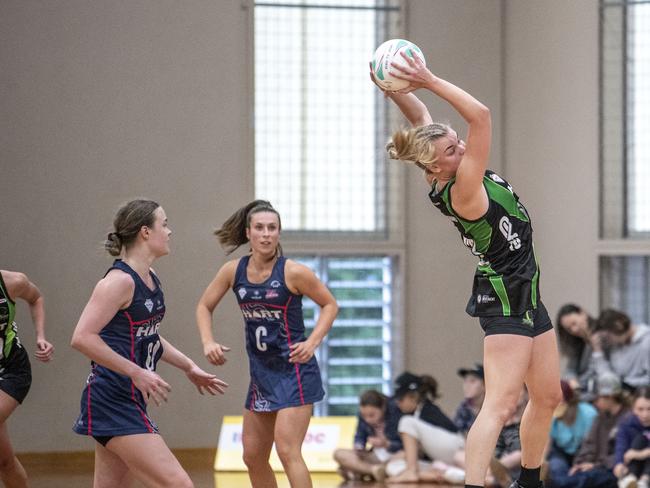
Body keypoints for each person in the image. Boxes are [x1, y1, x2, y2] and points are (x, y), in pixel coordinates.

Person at [372, 47, 562, 488]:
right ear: (438, 166)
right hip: (503, 293)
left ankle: (528, 480)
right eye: (454, 149)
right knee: (499, 404)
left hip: (526, 290)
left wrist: (392, 84)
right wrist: (430, 77)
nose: (462, 147)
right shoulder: (463, 187)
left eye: (457, 143)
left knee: (548, 395)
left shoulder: (436, 158)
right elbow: (481, 116)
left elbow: (420, 113)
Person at [71, 199, 227, 488]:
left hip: (131, 398)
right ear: (145, 231)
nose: (169, 231)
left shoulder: (150, 277)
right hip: (111, 399)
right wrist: (136, 372)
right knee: (180, 484)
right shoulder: (118, 282)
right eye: (164, 224)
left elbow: (148, 335)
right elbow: (82, 338)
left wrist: (189, 366)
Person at [195, 200, 338, 488]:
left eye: (272, 228)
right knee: (252, 456)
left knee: (287, 451)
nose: (266, 234)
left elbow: (330, 305)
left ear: (279, 233)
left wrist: (312, 342)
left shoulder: (293, 272)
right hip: (262, 374)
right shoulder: (233, 271)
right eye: (259, 228)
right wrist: (208, 341)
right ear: (248, 233)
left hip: (295, 371)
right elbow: (203, 306)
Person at [0, 270, 54, 487]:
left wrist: (40, 336)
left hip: (11, 371)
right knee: (4, 462)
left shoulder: (12, 282)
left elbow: (36, 298)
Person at [385, 371, 465, 483]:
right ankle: (443, 475)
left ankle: (411, 472)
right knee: (392, 466)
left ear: (413, 397)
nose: (398, 403)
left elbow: (439, 441)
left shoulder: (428, 410)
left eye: (401, 399)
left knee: (406, 422)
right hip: (440, 459)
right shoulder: (413, 414)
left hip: (456, 448)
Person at [554, 372, 630, 488]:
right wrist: (579, 464)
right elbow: (589, 444)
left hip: (612, 471)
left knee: (568, 482)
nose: (594, 402)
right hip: (594, 469)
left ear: (610, 396)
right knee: (566, 477)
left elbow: (622, 453)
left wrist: (595, 465)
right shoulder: (600, 417)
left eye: (597, 398)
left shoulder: (628, 419)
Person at [333, 389, 403, 482]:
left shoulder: (397, 412)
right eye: (364, 415)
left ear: (383, 407)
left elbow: (406, 445)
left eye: (372, 415)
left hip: (395, 456)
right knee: (339, 453)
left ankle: (358, 471)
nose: (368, 420)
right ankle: (373, 470)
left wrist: (386, 444)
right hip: (376, 456)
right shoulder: (363, 417)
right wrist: (359, 446)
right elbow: (360, 436)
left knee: (404, 455)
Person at [545, 380, 598, 487]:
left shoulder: (589, 414)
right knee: (556, 469)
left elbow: (591, 444)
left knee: (579, 477)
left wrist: (578, 463)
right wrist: (542, 462)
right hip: (561, 452)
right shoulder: (551, 413)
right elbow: (548, 441)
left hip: (584, 454)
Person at [593, 309, 650, 390]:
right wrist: (597, 351)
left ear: (618, 326)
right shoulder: (617, 345)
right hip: (621, 392)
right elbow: (608, 378)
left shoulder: (646, 342)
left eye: (608, 337)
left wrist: (624, 383)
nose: (608, 341)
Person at [556, 304, 599, 399]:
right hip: (584, 391)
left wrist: (578, 383)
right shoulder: (578, 342)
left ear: (583, 313)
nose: (574, 330)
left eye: (574, 323)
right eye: (568, 329)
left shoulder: (602, 336)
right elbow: (570, 370)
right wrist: (572, 380)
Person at [614, 387, 650, 488]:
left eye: (649, 409)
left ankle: (644, 480)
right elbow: (621, 446)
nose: (645, 414)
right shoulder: (627, 423)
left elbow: (637, 454)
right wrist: (619, 465)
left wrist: (642, 454)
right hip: (635, 468)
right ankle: (631, 478)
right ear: (633, 409)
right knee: (639, 440)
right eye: (640, 409)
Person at [455, 363, 486, 436]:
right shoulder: (462, 409)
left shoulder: (494, 407)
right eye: (465, 381)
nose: (467, 386)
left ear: (485, 385)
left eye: (472, 381)